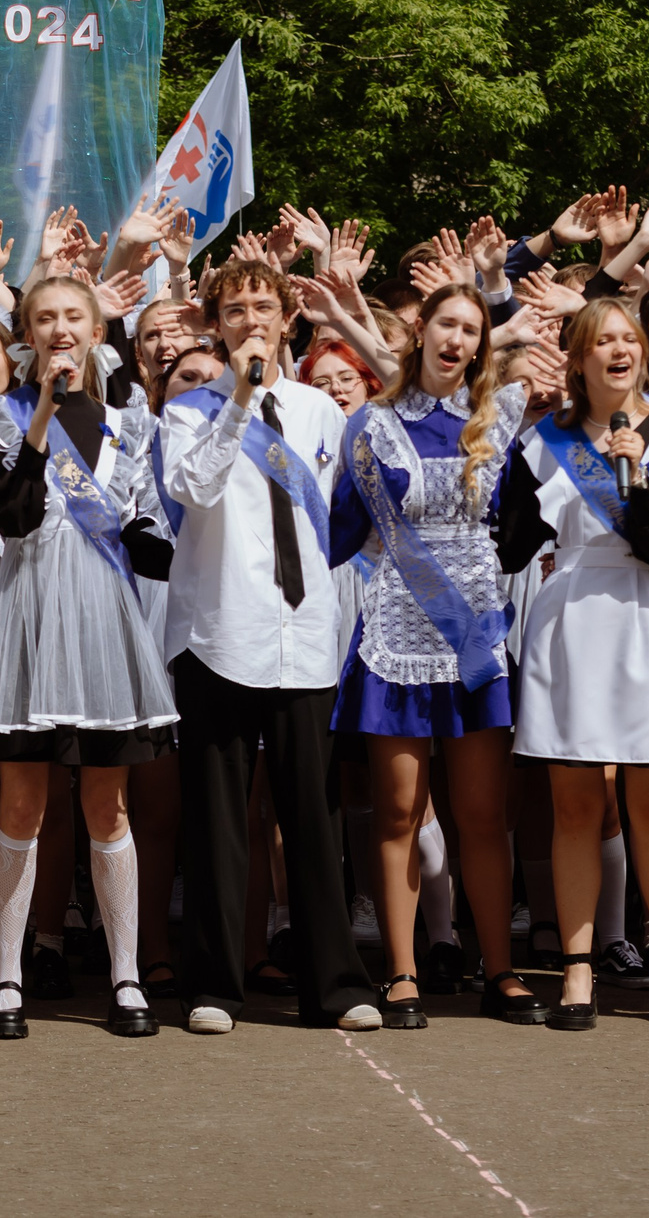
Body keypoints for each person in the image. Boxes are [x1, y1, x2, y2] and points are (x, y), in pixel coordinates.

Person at [159, 260, 379, 1035]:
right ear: (213, 322)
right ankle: (213, 985)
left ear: (289, 317)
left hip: (305, 632)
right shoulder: (189, 410)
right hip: (222, 629)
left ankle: (336, 984)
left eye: (263, 304)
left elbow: (351, 516)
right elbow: (195, 488)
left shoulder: (323, 410)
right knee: (219, 820)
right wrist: (242, 398)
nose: (251, 316)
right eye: (235, 306)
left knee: (313, 819)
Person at [0, 275, 177, 1039]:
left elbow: (150, 531)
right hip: (27, 613)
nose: (59, 328)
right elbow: (14, 517)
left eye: (72, 317)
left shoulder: (131, 423)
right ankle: (9, 977)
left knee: (106, 803)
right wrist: (45, 409)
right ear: (26, 332)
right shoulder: (1, 416)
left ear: (96, 329)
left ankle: (124, 978)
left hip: (102, 619)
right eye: (44, 317)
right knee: (22, 803)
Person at [328, 284, 545, 1025]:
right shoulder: (373, 426)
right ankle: (401, 971)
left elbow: (517, 529)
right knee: (397, 812)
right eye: (446, 325)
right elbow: (337, 533)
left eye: (471, 331)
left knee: (483, 815)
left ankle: (501, 969)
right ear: (419, 331)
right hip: (396, 634)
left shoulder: (497, 422)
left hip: (475, 642)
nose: (457, 340)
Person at [499, 298, 649, 1029]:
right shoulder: (542, 442)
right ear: (578, 357)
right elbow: (507, 545)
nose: (618, 349)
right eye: (602, 340)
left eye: (628, 338)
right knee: (575, 807)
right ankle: (578, 971)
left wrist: (637, 479)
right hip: (571, 620)